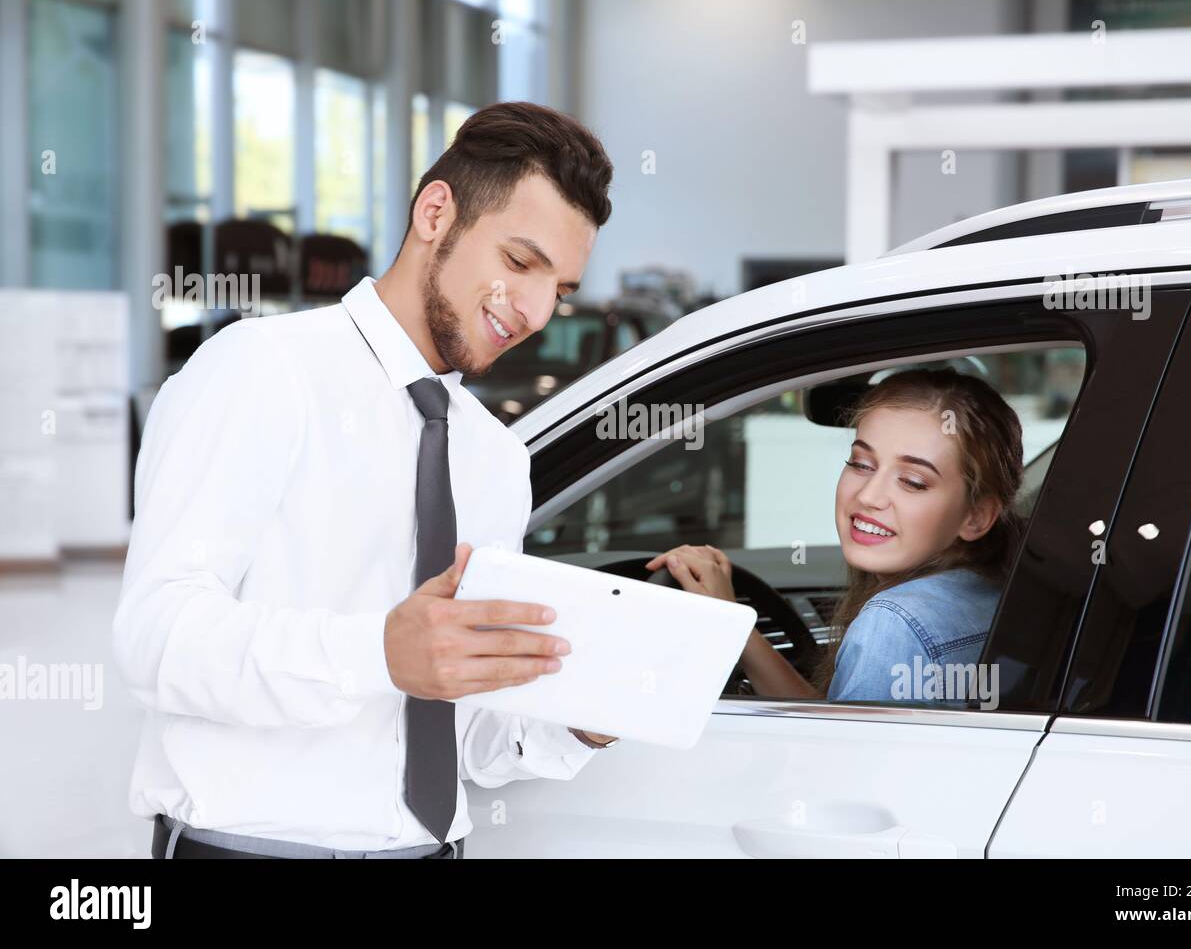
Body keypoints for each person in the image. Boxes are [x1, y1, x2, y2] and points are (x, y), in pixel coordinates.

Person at [114, 102, 620, 860]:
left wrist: (577, 722)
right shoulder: (262, 370)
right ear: (435, 213)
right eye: (520, 263)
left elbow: (467, 732)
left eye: (562, 290)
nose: (536, 310)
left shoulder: (494, 456)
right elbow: (155, 640)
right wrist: (377, 653)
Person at [646, 367, 1025, 704]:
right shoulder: (1000, 593)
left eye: (912, 482)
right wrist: (736, 627)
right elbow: (833, 729)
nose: (869, 496)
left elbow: (833, 774)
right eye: (861, 464)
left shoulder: (893, 624)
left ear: (976, 517)